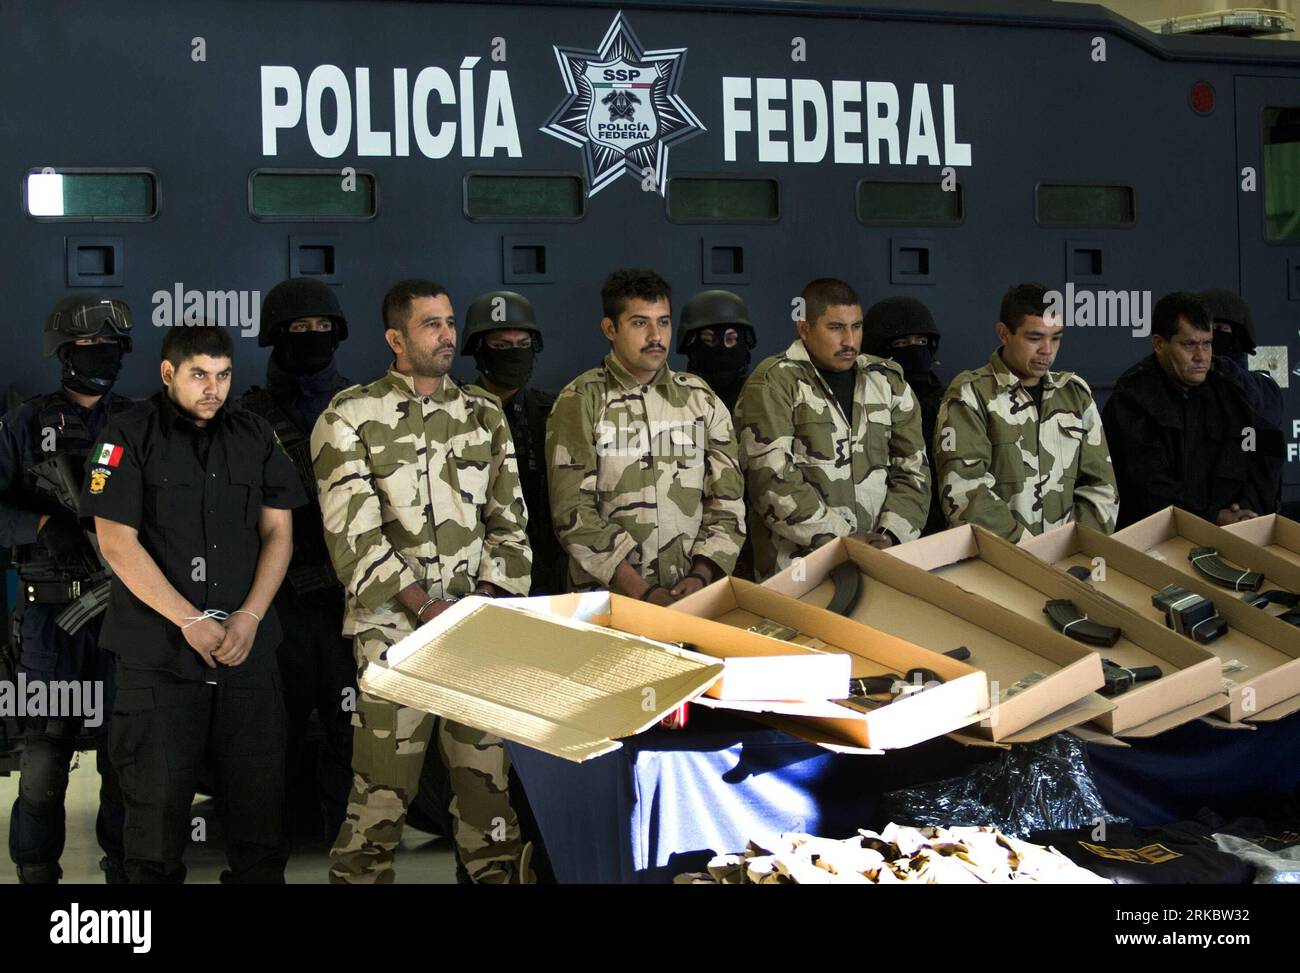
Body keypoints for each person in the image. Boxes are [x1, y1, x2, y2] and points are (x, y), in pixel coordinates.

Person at [312, 278, 534, 884]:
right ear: (395, 338)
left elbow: (510, 526)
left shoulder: (484, 415)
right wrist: (424, 607)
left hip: (476, 635)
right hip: (393, 635)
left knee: (490, 803)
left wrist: (480, 605)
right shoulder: (348, 416)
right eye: (430, 325)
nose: (446, 335)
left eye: (448, 323)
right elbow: (353, 536)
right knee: (380, 800)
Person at [81, 322, 304, 884]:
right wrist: (188, 620)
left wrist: (251, 617)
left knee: (259, 831)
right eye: (199, 375)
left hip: (246, 657)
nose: (214, 388)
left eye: (223, 375)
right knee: (153, 832)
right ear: (168, 373)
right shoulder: (126, 435)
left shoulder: (255, 435)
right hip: (159, 660)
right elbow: (115, 540)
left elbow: (279, 533)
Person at [2, 294, 134, 883]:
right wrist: (44, 525)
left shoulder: (137, 421)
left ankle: (124, 870)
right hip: (49, 620)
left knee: (124, 753)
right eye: (86, 346)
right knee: (44, 756)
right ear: (62, 352)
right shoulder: (25, 424)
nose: (100, 356)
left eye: (110, 345)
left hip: (124, 615)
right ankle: (36, 874)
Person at [546, 268, 745, 603]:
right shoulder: (580, 400)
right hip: (610, 601)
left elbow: (728, 501)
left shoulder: (700, 398)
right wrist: (642, 591)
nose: (656, 335)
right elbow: (572, 513)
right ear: (610, 328)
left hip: (692, 594)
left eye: (663, 322)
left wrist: (700, 575)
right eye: (640, 323)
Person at [240, 278, 356, 847]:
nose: (312, 338)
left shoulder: (360, 405)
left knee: (352, 729)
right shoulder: (249, 414)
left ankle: (347, 844)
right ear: (274, 337)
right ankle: (274, 844)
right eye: (298, 329)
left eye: (322, 329)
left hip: (353, 593)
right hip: (279, 600)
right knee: (273, 731)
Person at [734, 278, 929, 580]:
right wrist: (842, 539)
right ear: (804, 329)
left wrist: (891, 536)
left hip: (881, 562)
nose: (850, 341)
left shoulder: (888, 381)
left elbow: (913, 470)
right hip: (799, 570)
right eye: (836, 328)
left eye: (857, 327)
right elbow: (770, 480)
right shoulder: (773, 383)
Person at [933, 282, 1117, 541]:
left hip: (1069, 559)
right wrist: (1031, 554)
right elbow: (965, 493)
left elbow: (1101, 487)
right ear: (1004, 333)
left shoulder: (1075, 394)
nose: (1047, 350)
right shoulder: (970, 394)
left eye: (1056, 338)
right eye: (1034, 338)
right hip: (999, 563)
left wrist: (1077, 547)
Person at [1102, 291, 1283, 529]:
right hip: (1160, 538)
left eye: (1207, 344)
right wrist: (1212, 517)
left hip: (1233, 530)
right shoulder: (1133, 398)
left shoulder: (1229, 384)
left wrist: (1248, 507)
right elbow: (1148, 487)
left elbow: (1265, 450)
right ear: (1159, 344)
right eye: (1189, 345)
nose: (1201, 357)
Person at [460, 290, 564, 595]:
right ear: (479, 350)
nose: (514, 354)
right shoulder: (455, 413)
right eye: (501, 346)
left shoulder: (556, 410)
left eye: (522, 345)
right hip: (480, 572)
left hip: (549, 568)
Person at [862, 295, 947, 536]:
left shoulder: (949, 401)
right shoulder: (863, 406)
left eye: (921, 341)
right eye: (901, 344)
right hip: (884, 529)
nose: (914, 350)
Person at [677, 289, 756, 413]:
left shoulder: (764, 397)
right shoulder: (673, 401)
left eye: (731, 339)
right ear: (690, 343)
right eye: (709, 339)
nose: (722, 348)